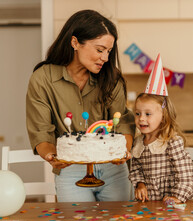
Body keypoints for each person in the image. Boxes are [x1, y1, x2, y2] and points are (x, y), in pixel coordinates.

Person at [26, 10, 135, 202]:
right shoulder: (42, 79)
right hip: (70, 170)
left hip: (113, 168)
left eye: (109, 51)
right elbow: (41, 132)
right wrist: (52, 156)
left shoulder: (112, 79)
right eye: (100, 50)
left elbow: (123, 122)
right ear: (75, 42)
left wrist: (123, 152)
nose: (106, 58)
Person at [129, 55, 193, 203]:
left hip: (180, 205)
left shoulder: (172, 142)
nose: (141, 118)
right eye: (137, 113)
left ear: (163, 115)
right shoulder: (137, 144)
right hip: (153, 206)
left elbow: (186, 177)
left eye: (148, 114)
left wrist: (176, 198)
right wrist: (140, 184)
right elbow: (136, 170)